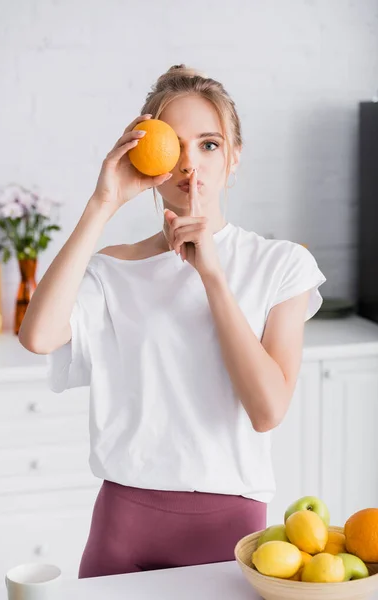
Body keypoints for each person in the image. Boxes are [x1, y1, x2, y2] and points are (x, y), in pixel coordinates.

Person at [19, 64, 326, 578]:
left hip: (230, 537)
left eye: (208, 144)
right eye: (174, 145)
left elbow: (268, 409)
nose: (190, 165)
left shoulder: (281, 265)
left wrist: (212, 276)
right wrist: (104, 202)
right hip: (121, 528)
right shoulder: (113, 269)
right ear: (146, 158)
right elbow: (38, 335)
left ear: (233, 157)